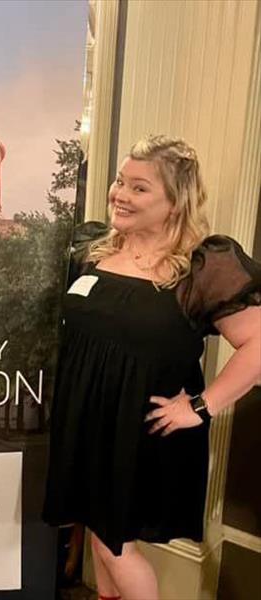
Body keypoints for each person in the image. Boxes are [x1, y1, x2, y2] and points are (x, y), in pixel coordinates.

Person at [42, 135, 261, 600]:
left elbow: (258, 345)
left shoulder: (202, 267)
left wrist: (200, 407)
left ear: (174, 202)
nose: (119, 194)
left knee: (114, 545)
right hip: (88, 424)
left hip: (142, 432)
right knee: (102, 543)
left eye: (139, 188)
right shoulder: (92, 249)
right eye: (120, 181)